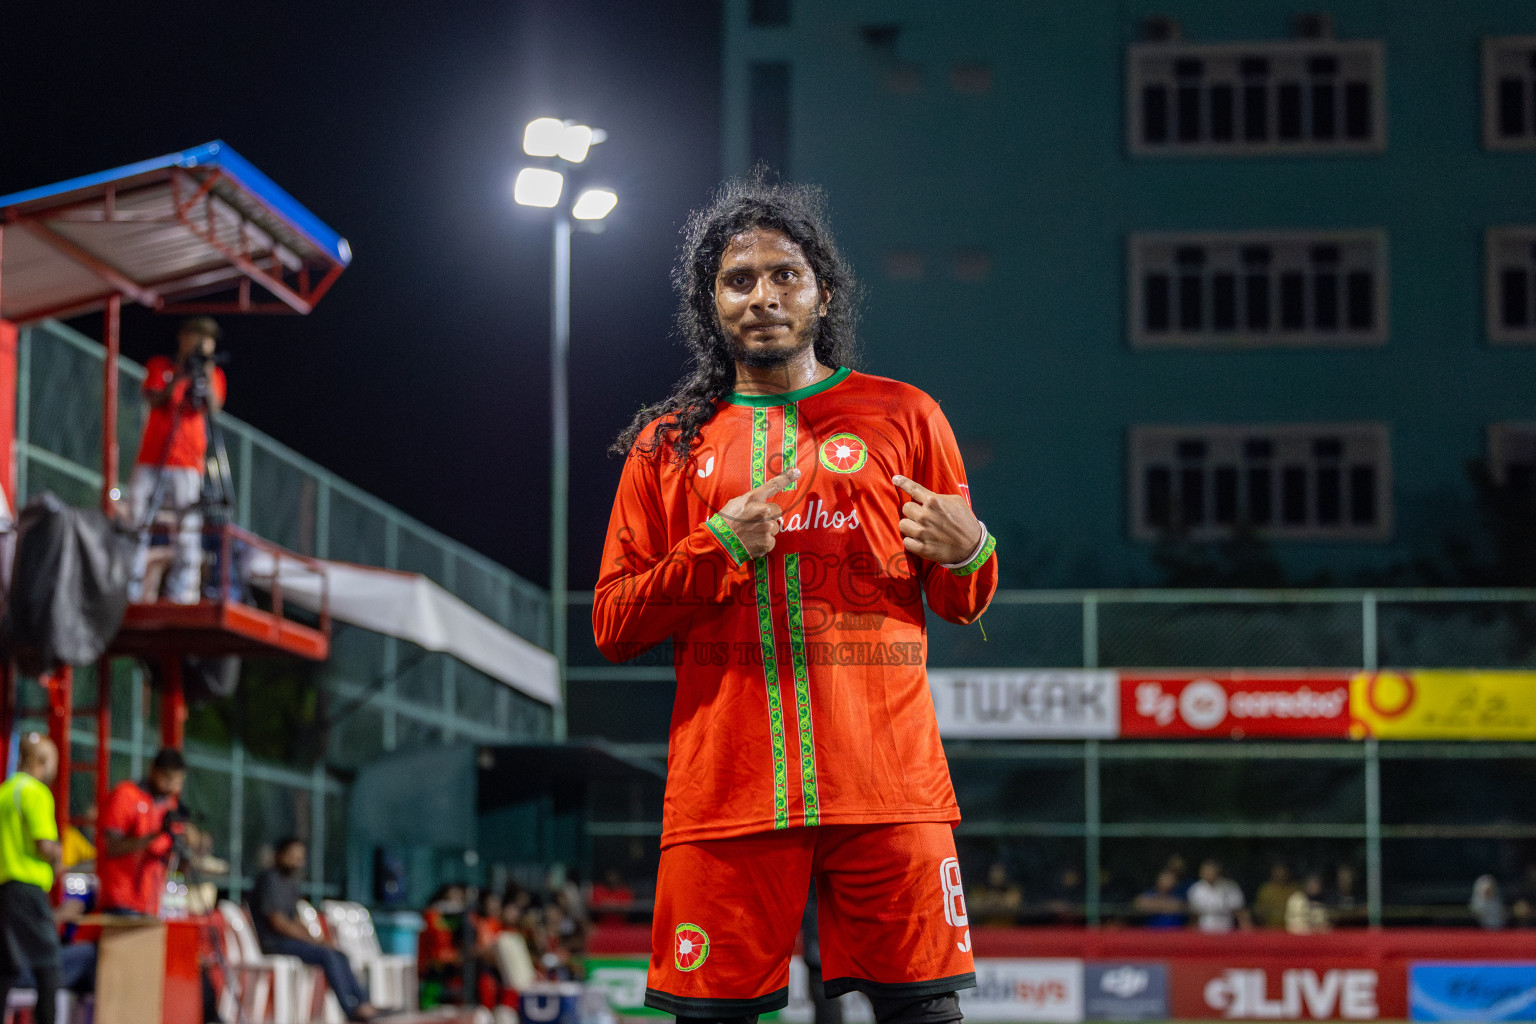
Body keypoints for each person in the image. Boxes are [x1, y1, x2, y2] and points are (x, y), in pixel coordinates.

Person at [595, 175, 998, 1024]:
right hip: (725, 795)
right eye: (739, 281)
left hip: (888, 787)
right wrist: (717, 547)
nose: (764, 297)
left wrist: (975, 554)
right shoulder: (667, 446)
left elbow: (961, 598)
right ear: (710, 306)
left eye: (784, 274)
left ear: (823, 289)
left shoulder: (905, 416)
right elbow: (613, 623)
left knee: (924, 1016)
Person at [128, 316, 227, 604]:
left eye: (206, 340)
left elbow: (214, 407)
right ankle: (130, 591)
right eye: (196, 336)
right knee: (137, 522)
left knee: (186, 530)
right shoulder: (162, 366)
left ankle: (182, 595)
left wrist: (204, 369)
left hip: (188, 463)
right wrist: (181, 376)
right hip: (152, 459)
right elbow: (153, 398)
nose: (200, 343)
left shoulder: (213, 374)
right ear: (183, 337)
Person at [250, 838, 380, 1021]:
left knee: (338, 953)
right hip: (274, 943)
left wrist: (317, 939)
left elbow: (294, 919)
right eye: (292, 856)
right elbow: (279, 923)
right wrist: (315, 941)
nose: (296, 861)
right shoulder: (270, 880)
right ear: (280, 855)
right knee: (327, 955)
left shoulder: (288, 882)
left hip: (288, 940)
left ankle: (363, 1003)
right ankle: (350, 1009)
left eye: (299, 857)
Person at [0, 735, 63, 1024]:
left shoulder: (4, 791)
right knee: (49, 962)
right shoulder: (36, 792)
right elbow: (44, 844)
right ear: (39, 762)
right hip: (28, 887)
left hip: (3, 890)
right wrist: (59, 854)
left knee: (6, 966)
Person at [98, 748, 187, 915]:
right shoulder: (126, 795)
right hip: (120, 900)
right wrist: (155, 835)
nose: (171, 787)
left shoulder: (170, 807)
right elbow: (112, 846)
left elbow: (177, 863)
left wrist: (190, 842)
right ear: (154, 770)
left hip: (151, 904)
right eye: (167, 778)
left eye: (177, 781)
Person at [1186, 859, 1251, 933]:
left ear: (1218, 871)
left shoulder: (1231, 887)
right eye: (1206, 870)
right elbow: (1193, 918)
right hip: (1203, 933)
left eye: (1211, 870)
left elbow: (1240, 913)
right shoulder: (1196, 889)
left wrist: (1247, 932)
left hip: (1227, 931)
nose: (1209, 873)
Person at [968, 862, 1023, 927]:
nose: (996, 875)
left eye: (999, 872)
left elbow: (1013, 904)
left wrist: (997, 899)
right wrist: (987, 900)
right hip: (984, 929)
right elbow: (972, 906)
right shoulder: (981, 890)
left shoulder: (1012, 890)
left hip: (1008, 929)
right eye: (994, 871)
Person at [1252, 862, 1299, 929]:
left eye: (1282, 870)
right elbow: (1258, 911)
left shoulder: (1294, 890)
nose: (1280, 873)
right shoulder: (1266, 890)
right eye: (1277, 871)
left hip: (1291, 929)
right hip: (1270, 929)